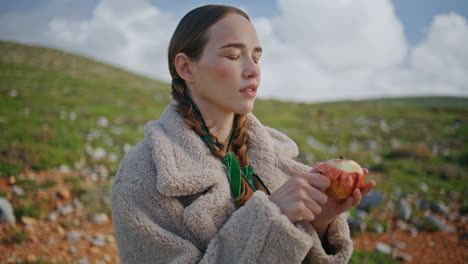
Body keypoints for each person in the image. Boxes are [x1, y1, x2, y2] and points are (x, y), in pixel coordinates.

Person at [111, 4, 375, 264]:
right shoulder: (143, 174)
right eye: (233, 56)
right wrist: (272, 215)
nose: (253, 70)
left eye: (257, 57)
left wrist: (318, 223)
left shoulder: (277, 159)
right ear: (186, 68)